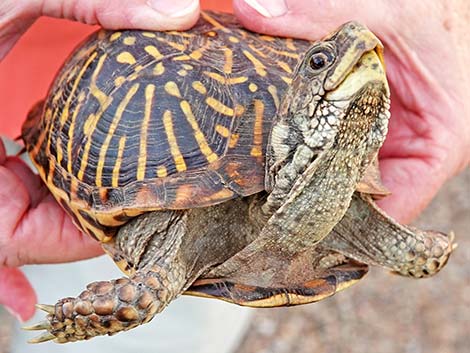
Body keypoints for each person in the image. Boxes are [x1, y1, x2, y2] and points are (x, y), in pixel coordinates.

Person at [1, 0, 469, 327]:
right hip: (41, 88)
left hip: (277, 32)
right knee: (131, 309)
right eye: (325, 61)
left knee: (176, 336)